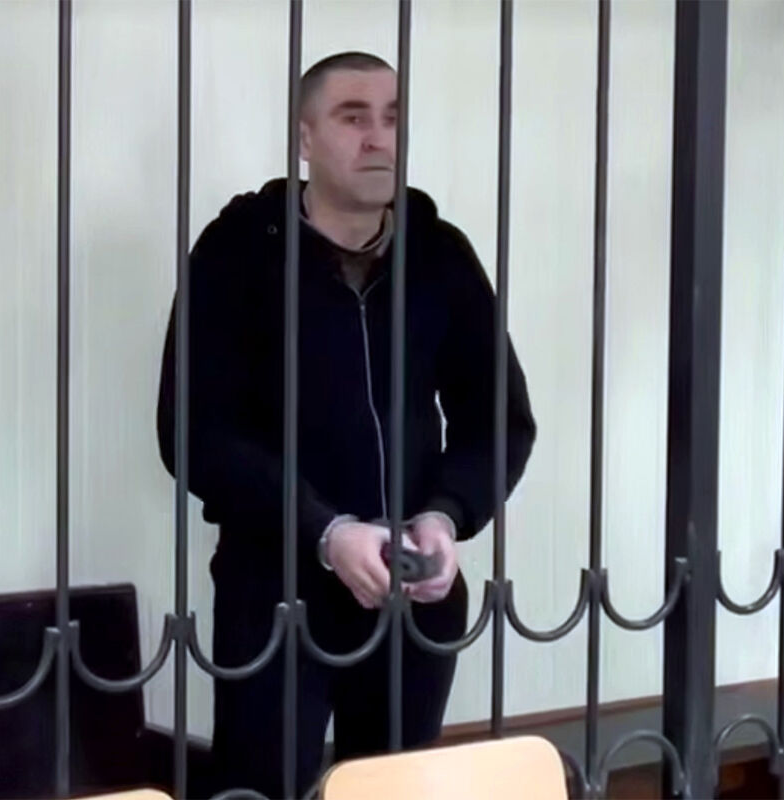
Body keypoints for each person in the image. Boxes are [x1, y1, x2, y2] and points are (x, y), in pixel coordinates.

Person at [156, 51, 536, 797]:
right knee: (262, 788)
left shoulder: (440, 254)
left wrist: (445, 514)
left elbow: (500, 417)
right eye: (353, 117)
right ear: (304, 137)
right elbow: (194, 432)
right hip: (277, 594)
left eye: (392, 118)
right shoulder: (238, 253)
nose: (378, 137)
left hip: (413, 595)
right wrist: (324, 532)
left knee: (391, 788)